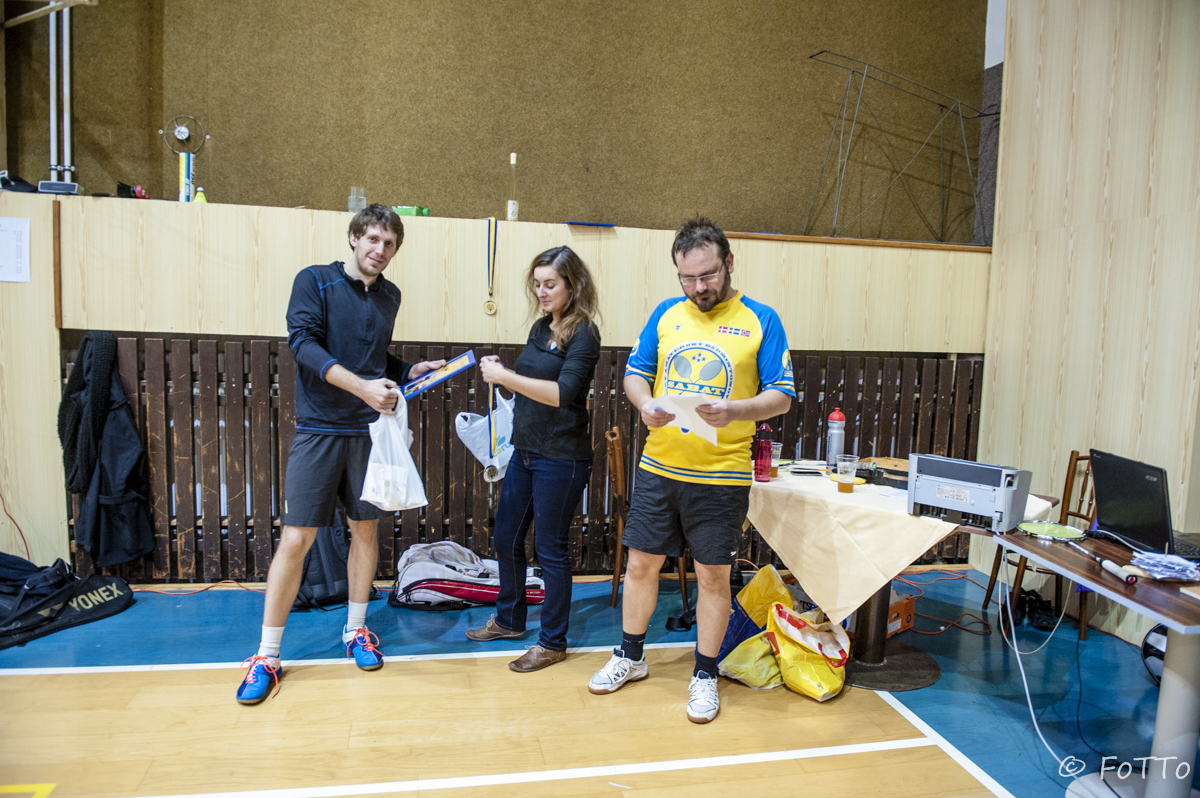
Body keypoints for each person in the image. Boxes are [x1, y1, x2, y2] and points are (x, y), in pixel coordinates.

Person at [586, 217, 794, 723]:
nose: (698, 287)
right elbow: (635, 375)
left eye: (708, 275)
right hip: (660, 467)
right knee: (641, 565)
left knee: (712, 577)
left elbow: (782, 396)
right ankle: (630, 656)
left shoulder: (761, 319)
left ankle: (704, 674)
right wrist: (645, 404)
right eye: (688, 278)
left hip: (722, 476)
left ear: (729, 263)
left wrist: (736, 411)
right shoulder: (665, 314)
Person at [236, 204, 445, 704]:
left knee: (365, 530)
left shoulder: (390, 295)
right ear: (353, 237)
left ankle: (355, 631)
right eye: (372, 238)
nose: (380, 249)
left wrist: (407, 371)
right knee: (297, 538)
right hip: (319, 429)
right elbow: (305, 345)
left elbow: (374, 357)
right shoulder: (314, 281)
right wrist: (364, 389)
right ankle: (266, 655)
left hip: (369, 433)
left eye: (389, 243)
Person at [465, 246, 601, 672]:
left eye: (550, 284)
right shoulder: (542, 327)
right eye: (537, 284)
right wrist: (504, 374)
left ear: (572, 286)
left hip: (561, 457)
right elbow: (529, 383)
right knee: (506, 539)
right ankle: (509, 620)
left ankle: (552, 642)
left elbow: (562, 394)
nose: (541, 292)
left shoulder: (584, 334)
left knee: (550, 549)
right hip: (525, 451)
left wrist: (506, 376)